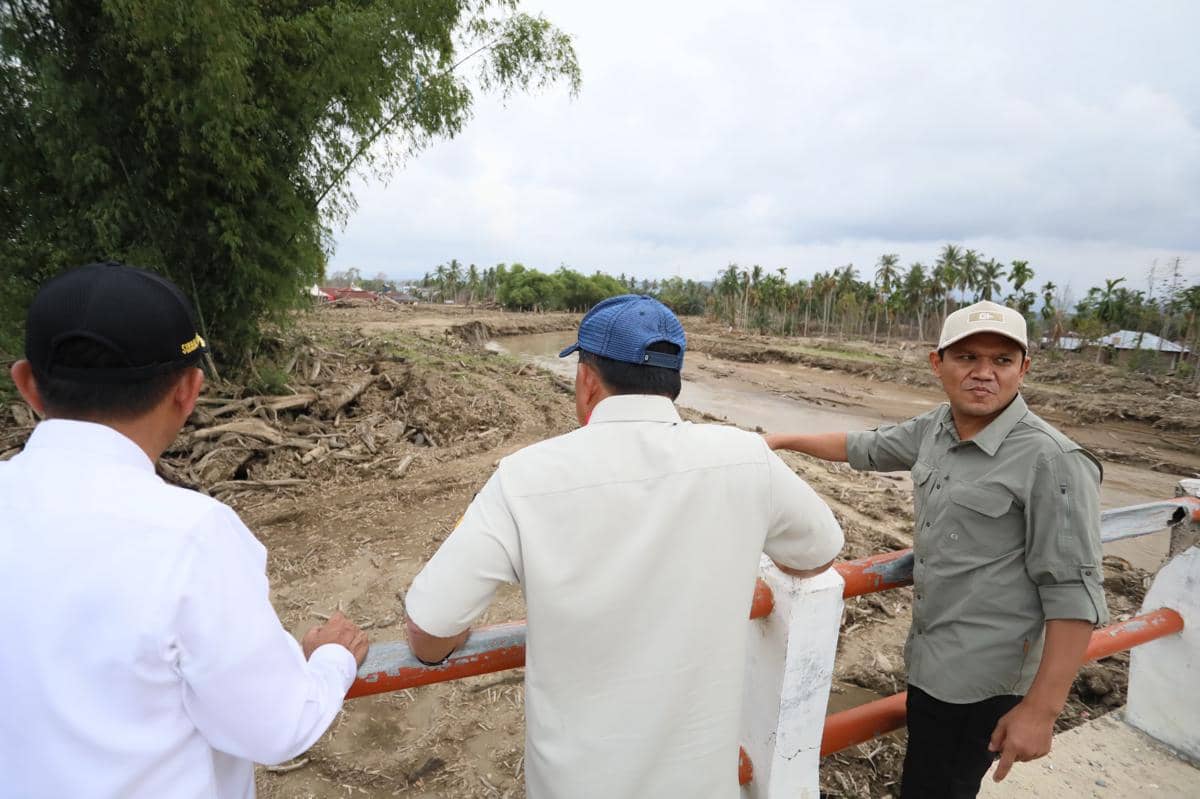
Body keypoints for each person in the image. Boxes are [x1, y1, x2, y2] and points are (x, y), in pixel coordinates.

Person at [404, 294, 844, 799]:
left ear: (587, 380)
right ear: (672, 382)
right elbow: (819, 553)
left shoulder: (525, 476)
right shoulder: (744, 457)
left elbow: (429, 634)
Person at [0, 262, 370, 799]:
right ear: (190, 390)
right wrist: (330, 659)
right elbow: (276, 727)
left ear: (28, 385)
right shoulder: (192, 535)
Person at [767, 299, 1107, 798]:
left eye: (1001, 361)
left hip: (983, 684)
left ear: (1024, 369)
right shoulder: (938, 427)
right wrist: (778, 440)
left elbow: (1074, 593)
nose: (983, 374)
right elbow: (867, 447)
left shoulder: (1052, 461)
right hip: (930, 661)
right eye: (967, 358)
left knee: (939, 788)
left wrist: (1041, 710)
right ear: (938, 363)